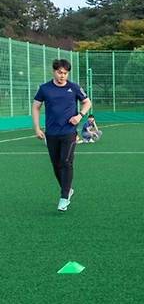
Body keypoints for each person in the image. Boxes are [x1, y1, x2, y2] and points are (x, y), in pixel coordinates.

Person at [32, 58, 92, 212]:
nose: (62, 76)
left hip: (69, 133)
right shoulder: (45, 89)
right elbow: (36, 106)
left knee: (66, 162)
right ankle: (68, 189)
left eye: (65, 73)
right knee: (56, 165)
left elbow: (87, 102)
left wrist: (80, 115)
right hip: (51, 134)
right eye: (60, 72)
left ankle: (64, 197)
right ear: (54, 71)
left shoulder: (74, 87)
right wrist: (37, 127)